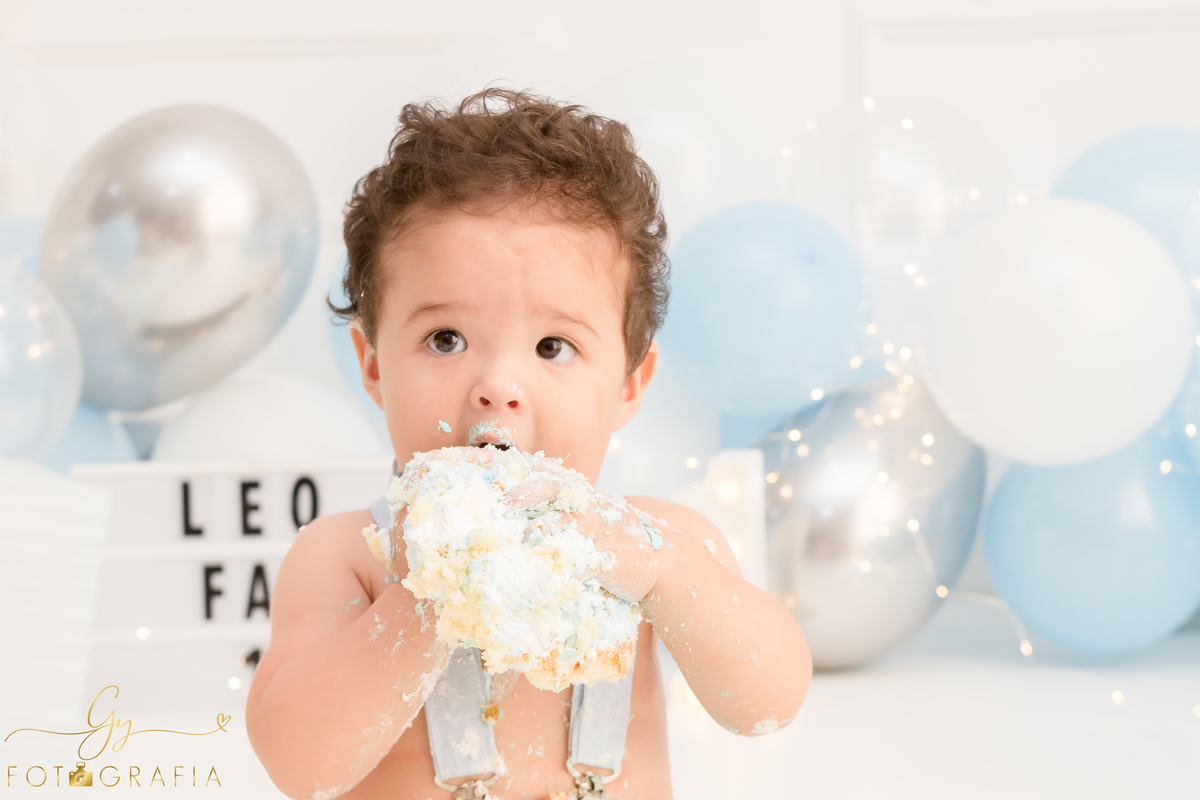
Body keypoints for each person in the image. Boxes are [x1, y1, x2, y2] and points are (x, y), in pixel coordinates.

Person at [245, 87, 811, 800]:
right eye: (446, 339)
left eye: (554, 345)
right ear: (375, 367)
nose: (498, 386)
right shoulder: (349, 560)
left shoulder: (659, 542)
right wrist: (426, 598)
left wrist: (665, 574)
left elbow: (767, 704)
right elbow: (300, 766)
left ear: (629, 386)